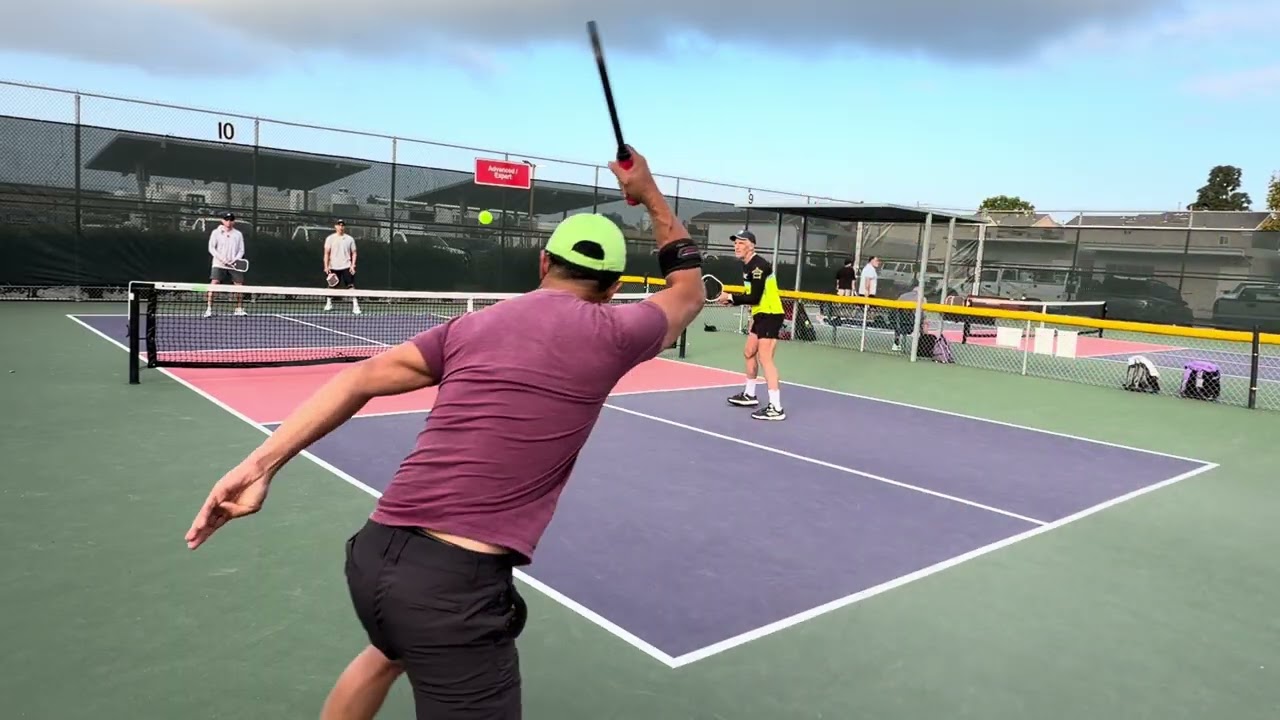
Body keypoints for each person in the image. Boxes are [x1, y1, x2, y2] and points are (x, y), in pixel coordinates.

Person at [182, 147, 706, 720]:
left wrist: (259, 467)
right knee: (417, 644)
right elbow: (688, 290)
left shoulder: (469, 326)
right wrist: (650, 193)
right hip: (453, 585)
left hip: (376, 555)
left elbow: (357, 379)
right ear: (610, 288)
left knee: (388, 653)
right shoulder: (617, 330)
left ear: (542, 264)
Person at [717, 230, 786, 421]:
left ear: (752, 246)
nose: (736, 246)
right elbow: (753, 298)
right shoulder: (747, 266)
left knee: (765, 358)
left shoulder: (759, 266)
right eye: (735, 243)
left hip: (771, 314)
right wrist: (732, 302)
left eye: (741, 243)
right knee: (749, 352)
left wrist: (730, 297)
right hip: (759, 314)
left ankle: (776, 407)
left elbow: (754, 297)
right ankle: (750, 394)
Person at [205, 212, 246, 317]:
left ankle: (239, 309)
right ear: (222, 221)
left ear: (234, 221)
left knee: (239, 286)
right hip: (219, 263)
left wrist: (235, 260)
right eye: (227, 219)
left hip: (234, 265)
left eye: (231, 220)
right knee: (214, 284)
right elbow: (211, 248)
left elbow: (241, 250)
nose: (229, 222)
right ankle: (209, 309)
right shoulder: (216, 233)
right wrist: (222, 259)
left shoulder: (238, 234)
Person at [323, 219, 361, 315]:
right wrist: (326, 266)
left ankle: (356, 306)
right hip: (333, 267)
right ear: (335, 226)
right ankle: (329, 304)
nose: (341, 227)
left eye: (342, 225)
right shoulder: (330, 239)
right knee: (331, 287)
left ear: (344, 227)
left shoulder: (350, 239)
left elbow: (354, 253)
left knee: (351, 287)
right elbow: (326, 253)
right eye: (339, 225)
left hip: (346, 266)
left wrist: (353, 265)